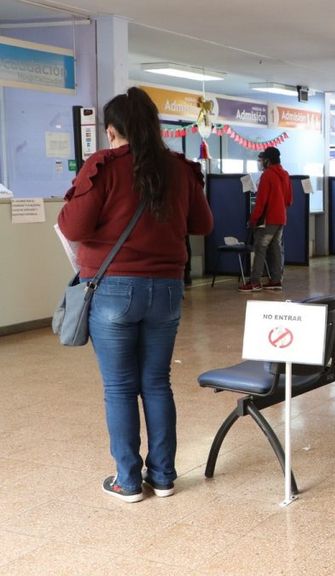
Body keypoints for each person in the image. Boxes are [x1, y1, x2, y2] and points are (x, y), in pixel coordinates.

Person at [57, 87, 213, 502]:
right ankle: (162, 477)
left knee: (120, 388)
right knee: (157, 384)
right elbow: (203, 224)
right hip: (166, 290)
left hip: (113, 292)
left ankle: (128, 481)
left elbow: (72, 227)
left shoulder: (104, 166)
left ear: (112, 131)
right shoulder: (179, 169)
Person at [240, 146, 291, 292]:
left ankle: (254, 281)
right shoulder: (285, 174)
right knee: (275, 248)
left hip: (267, 220)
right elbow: (289, 199)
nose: (260, 163)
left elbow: (261, 201)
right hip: (281, 218)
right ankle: (275, 280)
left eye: (261, 160)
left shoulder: (267, 175)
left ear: (268, 161)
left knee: (260, 248)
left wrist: (253, 219)